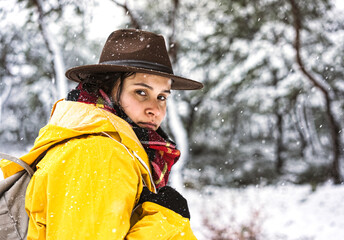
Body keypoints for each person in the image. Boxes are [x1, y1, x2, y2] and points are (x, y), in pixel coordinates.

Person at [0, 29, 203, 239]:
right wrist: (166, 221)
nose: (156, 109)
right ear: (106, 89)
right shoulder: (98, 153)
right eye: (141, 92)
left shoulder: (113, 148)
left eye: (162, 97)